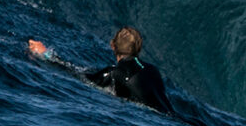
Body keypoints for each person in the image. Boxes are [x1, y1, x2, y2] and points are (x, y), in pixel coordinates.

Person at [28, 26, 175, 115]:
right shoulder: (152, 70)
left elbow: (77, 75)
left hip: (157, 119)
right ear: (139, 48)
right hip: (174, 116)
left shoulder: (113, 73)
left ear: (112, 46)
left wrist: (46, 55)